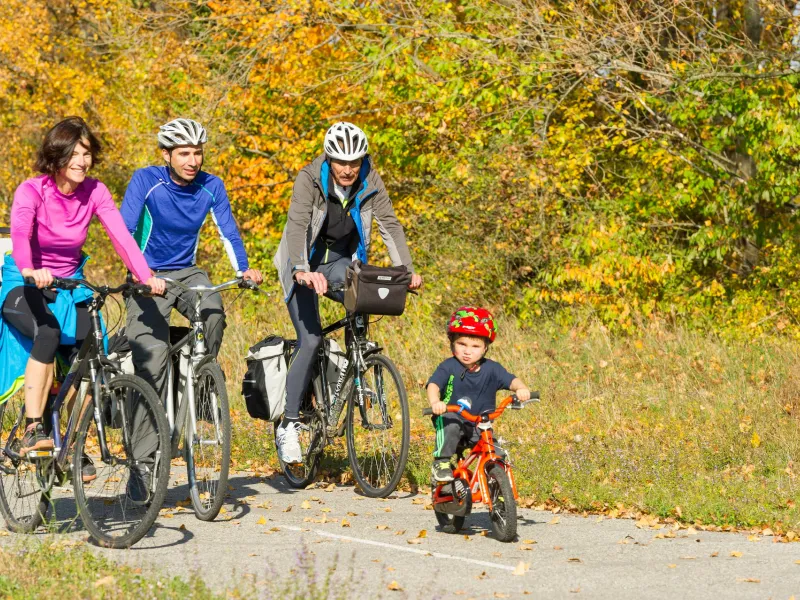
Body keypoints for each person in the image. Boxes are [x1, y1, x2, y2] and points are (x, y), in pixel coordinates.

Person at [0, 116, 165, 480]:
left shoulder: (96, 192)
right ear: (56, 155)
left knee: (94, 348)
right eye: (74, 152)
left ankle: (70, 440)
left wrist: (146, 276)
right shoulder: (32, 190)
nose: (81, 160)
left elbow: (121, 237)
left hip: (69, 285)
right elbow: (20, 232)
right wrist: (30, 269)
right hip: (23, 283)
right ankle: (32, 430)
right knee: (47, 333)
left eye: (87, 153)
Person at [273, 121, 422, 464]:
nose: (348, 169)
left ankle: (355, 367)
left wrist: (407, 271)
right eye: (341, 161)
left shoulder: (371, 181)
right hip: (300, 262)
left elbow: (390, 226)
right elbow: (296, 226)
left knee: (366, 295)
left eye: (355, 162)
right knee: (309, 339)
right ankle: (290, 423)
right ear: (329, 158)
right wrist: (301, 270)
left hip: (338, 262)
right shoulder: (308, 179)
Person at [120, 117, 262, 400]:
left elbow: (229, 232)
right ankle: (150, 442)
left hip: (188, 272)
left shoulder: (212, 185)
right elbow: (125, 231)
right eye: (184, 153)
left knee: (213, 313)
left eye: (198, 152)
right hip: (148, 273)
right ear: (166, 154)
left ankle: (200, 383)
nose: (193, 160)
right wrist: (140, 273)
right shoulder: (146, 180)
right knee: (152, 362)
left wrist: (243, 269)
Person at [426, 307, 531, 482]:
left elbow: (511, 380)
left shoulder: (493, 369)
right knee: (450, 424)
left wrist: (522, 388)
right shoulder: (448, 366)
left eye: (475, 346)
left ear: (485, 348)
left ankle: (497, 489)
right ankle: (441, 462)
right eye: (462, 344)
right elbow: (433, 385)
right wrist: (435, 402)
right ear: (452, 343)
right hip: (452, 418)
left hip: (480, 424)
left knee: (496, 454)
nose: (468, 351)